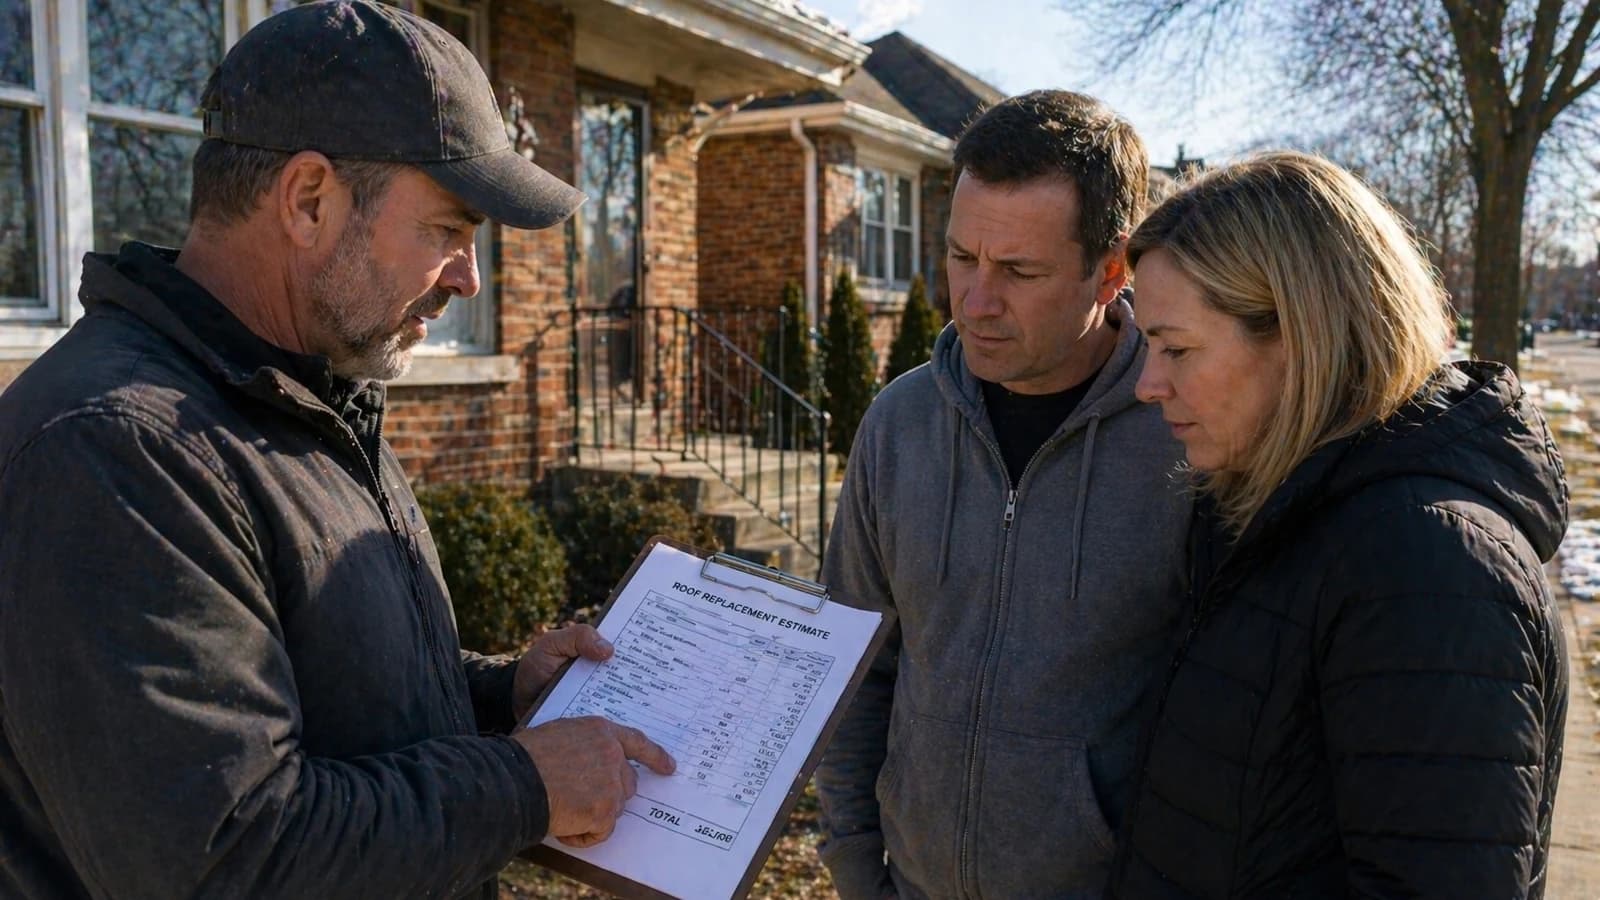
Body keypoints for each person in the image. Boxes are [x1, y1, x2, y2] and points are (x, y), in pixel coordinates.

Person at [0, 3, 674, 898]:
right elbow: (226, 856)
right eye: (447, 229)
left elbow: (324, 699)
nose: (468, 280)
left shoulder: (309, 394)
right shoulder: (118, 453)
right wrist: (524, 785)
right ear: (310, 200)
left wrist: (499, 696)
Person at [1114, 151, 1568, 897]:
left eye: (1177, 348)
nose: (1148, 383)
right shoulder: (1262, 512)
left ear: (1301, 336)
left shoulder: (1428, 570)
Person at [815, 90, 1192, 899]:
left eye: (1020, 270)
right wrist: (856, 869)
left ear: (1113, 268)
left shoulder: (1188, 432)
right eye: (961, 258)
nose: (976, 302)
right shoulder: (899, 423)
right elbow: (848, 671)